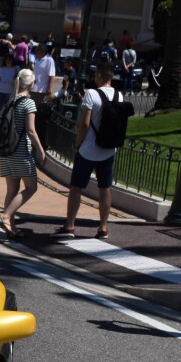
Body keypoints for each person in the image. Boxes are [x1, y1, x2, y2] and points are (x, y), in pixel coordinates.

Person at [62, 63, 121, 238]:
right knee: (105, 188)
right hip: (108, 150)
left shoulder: (91, 94)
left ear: (100, 76)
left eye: (96, 74)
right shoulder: (119, 95)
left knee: (76, 188)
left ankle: (70, 225)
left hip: (88, 149)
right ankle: (103, 228)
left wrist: (77, 144)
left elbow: (84, 124)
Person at [0, 69, 47, 239]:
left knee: (12, 189)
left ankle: (11, 227)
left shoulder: (11, 100)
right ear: (31, 83)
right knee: (31, 187)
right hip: (21, 151)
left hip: (6, 150)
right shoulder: (29, 103)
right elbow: (31, 131)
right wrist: (40, 150)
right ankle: (6, 216)